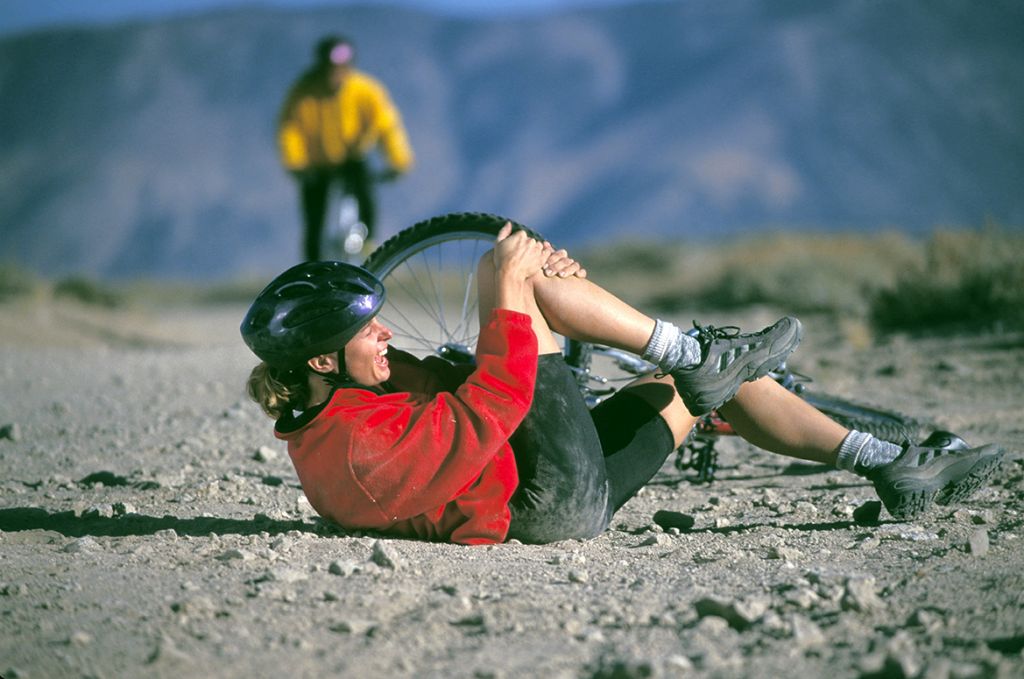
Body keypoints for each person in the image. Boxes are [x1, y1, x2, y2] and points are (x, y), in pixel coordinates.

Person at [240, 224, 1004, 545]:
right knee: (499, 268)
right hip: (544, 505)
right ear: (318, 360)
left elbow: (472, 387)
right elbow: (493, 403)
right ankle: (690, 348)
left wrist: (541, 303)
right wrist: (512, 291)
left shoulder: (359, 389)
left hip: (546, 476)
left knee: (696, 390)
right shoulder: (351, 453)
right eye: (366, 329)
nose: (384, 333)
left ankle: (892, 465)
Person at [277, 34, 414, 260]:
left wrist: (399, 161)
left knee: (366, 198)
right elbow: (290, 128)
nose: (336, 74)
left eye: (342, 68)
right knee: (314, 221)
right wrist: (295, 162)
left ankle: (369, 251)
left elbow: (387, 125)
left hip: (353, 159)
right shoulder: (303, 91)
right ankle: (311, 271)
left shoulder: (366, 90)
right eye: (331, 68)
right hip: (316, 164)